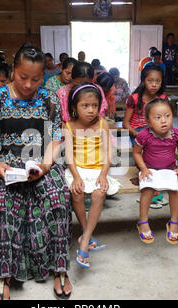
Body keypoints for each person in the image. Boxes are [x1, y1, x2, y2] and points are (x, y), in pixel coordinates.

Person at [0, 43, 72, 300]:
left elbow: (55, 138)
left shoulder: (49, 99)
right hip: (6, 162)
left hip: (40, 162)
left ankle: (59, 268)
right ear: (13, 71)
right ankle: (2, 274)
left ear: (44, 75)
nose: (29, 85)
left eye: (36, 78)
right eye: (23, 77)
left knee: (58, 197)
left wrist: (45, 165)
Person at [64, 82, 120, 269]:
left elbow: (108, 154)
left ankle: (85, 239)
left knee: (99, 193)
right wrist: (77, 176)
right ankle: (86, 234)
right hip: (77, 169)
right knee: (77, 192)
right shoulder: (69, 126)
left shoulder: (103, 124)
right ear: (74, 107)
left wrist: (103, 175)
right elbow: (69, 157)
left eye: (94, 105)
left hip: (98, 169)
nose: (90, 110)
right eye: (85, 106)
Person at [133, 98, 178, 244]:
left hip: (169, 170)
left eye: (167, 116)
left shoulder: (176, 135)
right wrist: (143, 168)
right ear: (148, 121)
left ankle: (174, 222)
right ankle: (143, 221)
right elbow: (137, 153)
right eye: (158, 117)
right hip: (149, 170)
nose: (164, 121)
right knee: (148, 190)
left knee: (176, 190)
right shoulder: (145, 135)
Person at [123, 65, 167, 147]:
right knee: (149, 150)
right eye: (150, 81)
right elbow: (125, 123)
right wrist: (135, 133)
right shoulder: (134, 98)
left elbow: (167, 120)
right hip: (138, 130)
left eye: (158, 81)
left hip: (156, 129)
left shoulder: (163, 98)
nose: (154, 84)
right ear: (143, 81)